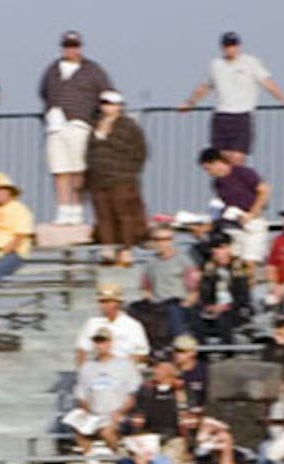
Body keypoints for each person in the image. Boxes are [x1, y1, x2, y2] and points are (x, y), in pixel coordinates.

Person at [179, 31, 284, 166]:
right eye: (227, 46)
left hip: (242, 115)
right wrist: (190, 102)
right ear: (222, 48)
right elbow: (204, 87)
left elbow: (268, 84)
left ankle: (239, 179)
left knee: (238, 158)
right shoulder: (215, 65)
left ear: (239, 46)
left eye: (233, 45)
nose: (231, 49)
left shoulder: (251, 62)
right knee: (220, 160)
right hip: (222, 115)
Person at [38, 30, 112, 225]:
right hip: (56, 125)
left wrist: (99, 120)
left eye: (74, 46)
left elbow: (106, 94)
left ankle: (76, 209)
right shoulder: (53, 69)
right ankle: (63, 209)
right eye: (67, 46)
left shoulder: (92, 70)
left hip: (80, 124)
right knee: (60, 170)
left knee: (78, 170)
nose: (71, 50)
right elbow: (44, 92)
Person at [86, 90, 148, 267]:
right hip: (98, 178)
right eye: (104, 103)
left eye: (112, 103)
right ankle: (108, 249)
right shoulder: (94, 125)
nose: (108, 107)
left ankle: (126, 249)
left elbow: (140, 151)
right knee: (103, 215)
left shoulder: (128, 126)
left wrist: (130, 172)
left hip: (121, 178)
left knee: (124, 214)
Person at [63, 327, 140, 464]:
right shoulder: (87, 367)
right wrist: (85, 411)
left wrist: (121, 412)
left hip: (118, 414)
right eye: (97, 342)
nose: (100, 345)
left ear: (110, 343)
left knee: (107, 431)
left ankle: (120, 459)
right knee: (77, 428)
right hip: (95, 414)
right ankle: (92, 462)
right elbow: (82, 394)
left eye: (103, 341)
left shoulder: (125, 365)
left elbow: (133, 394)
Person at [197, 147, 270, 271]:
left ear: (217, 163)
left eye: (208, 169)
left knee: (248, 263)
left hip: (252, 223)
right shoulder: (217, 184)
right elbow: (224, 205)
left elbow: (264, 190)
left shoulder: (243, 173)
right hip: (234, 224)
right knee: (231, 260)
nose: (209, 173)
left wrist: (252, 214)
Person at [194, 231, 252, 345]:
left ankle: (227, 349)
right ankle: (202, 350)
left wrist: (227, 306)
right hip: (213, 307)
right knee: (195, 315)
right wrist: (209, 306)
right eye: (216, 248)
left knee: (225, 317)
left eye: (223, 248)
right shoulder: (207, 267)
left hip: (235, 308)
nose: (220, 252)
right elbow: (204, 293)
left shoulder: (239, 266)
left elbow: (243, 294)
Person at [141, 223, 196, 339]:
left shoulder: (183, 260)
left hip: (176, 304)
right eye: (157, 239)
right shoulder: (150, 263)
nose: (162, 243)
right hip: (157, 305)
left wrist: (187, 302)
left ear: (172, 240)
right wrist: (149, 299)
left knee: (174, 314)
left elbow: (193, 288)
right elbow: (146, 287)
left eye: (166, 239)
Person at [74, 284, 150, 366]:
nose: (104, 305)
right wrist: (84, 369)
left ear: (118, 303)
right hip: (99, 368)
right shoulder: (92, 324)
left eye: (108, 301)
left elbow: (142, 354)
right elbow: (82, 350)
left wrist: (123, 366)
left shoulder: (132, 326)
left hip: (125, 368)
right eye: (102, 302)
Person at [171, 335, 209, 404]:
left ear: (193, 352)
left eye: (181, 351)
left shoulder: (205, 371)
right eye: (175, 350)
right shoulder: (168, 371)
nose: (176, 354)